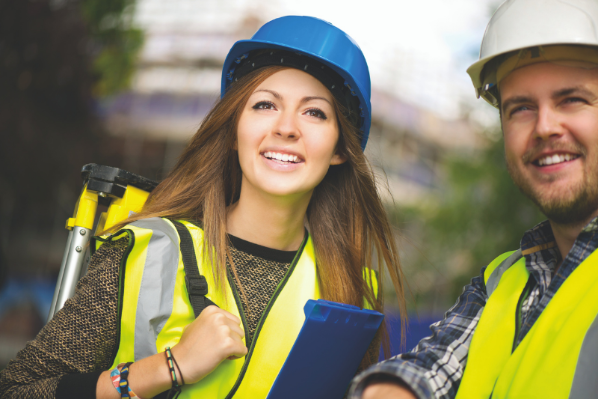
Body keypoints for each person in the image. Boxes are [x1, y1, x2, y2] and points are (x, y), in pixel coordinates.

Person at [0, 16, 407, 399]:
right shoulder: (146, 254)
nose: (286, 127)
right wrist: (167, 367)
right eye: (265, 105)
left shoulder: (352, 295)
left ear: (339, 150)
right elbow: (17, 390)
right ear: (233, 131)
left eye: (315, 112)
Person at [349, 0, 598, 398]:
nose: (545, 127)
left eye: (572, 99)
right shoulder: (502, 280)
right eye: (521, 108)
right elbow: (430, 371)